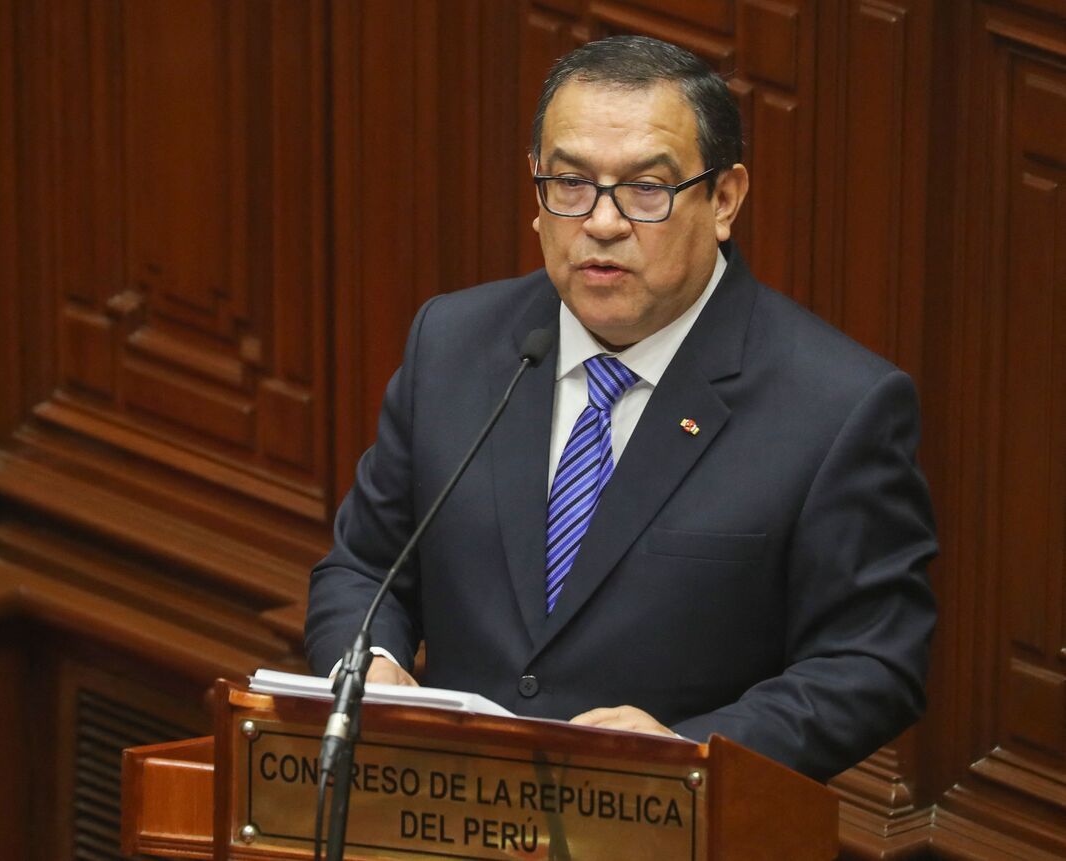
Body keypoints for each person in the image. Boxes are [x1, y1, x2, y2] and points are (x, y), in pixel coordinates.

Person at [304, 35, 936, 782]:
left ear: (725, 198)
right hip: (441, 809)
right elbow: (365, 566)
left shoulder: (838, 407)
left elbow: (872, 661)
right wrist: (369, 662)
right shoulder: (454, 343)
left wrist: (690, 752)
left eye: (646, 189)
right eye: (570, 183)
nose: (601, 222)